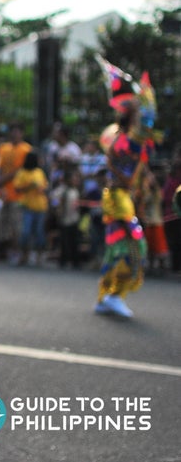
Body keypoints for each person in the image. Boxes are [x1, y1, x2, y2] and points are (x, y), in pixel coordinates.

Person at [94, 56, 156, 318]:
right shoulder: (125, 139)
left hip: (120, 195)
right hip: (117, 197)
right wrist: (146, 96)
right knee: (132, 246)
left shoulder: (125, 137)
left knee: (118, 246)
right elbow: (148, 120)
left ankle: (108, 295)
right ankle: (112, 295)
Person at [0, 123, 31, 264]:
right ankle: (4, 252)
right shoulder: (3, 148)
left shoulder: (26, 149)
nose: (15, 135)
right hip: (3, 194)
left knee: (17, 226)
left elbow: (19, 170)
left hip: (18, 195)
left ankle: (18, 253)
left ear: (22, 134)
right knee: (3, 224)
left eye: (17, 132)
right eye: (13, 132)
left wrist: (1, 179)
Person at [13, 150, 49, 266]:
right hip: (27, 206)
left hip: (40, 206)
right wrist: (29, 187)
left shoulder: (39, 172)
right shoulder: (22, 173)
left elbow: (44, 187)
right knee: (25, 232)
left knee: (39, 233)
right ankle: (24, 255)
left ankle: (39, 257)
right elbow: (17, 189)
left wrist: (40, 188)